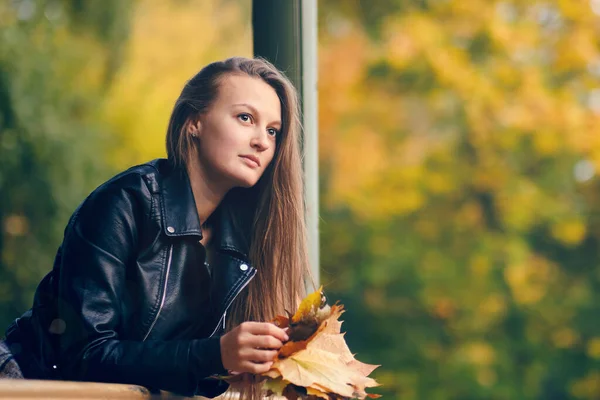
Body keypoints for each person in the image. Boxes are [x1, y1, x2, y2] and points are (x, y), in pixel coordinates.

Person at [0, 57, 312, 398]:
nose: (262, 142)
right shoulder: (124, 204)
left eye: (272, 131)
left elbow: (172, 364)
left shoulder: (244, 239)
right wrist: (215, 354)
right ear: (194, 122)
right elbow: (84, 355)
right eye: (245, 118)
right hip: (25, 380)